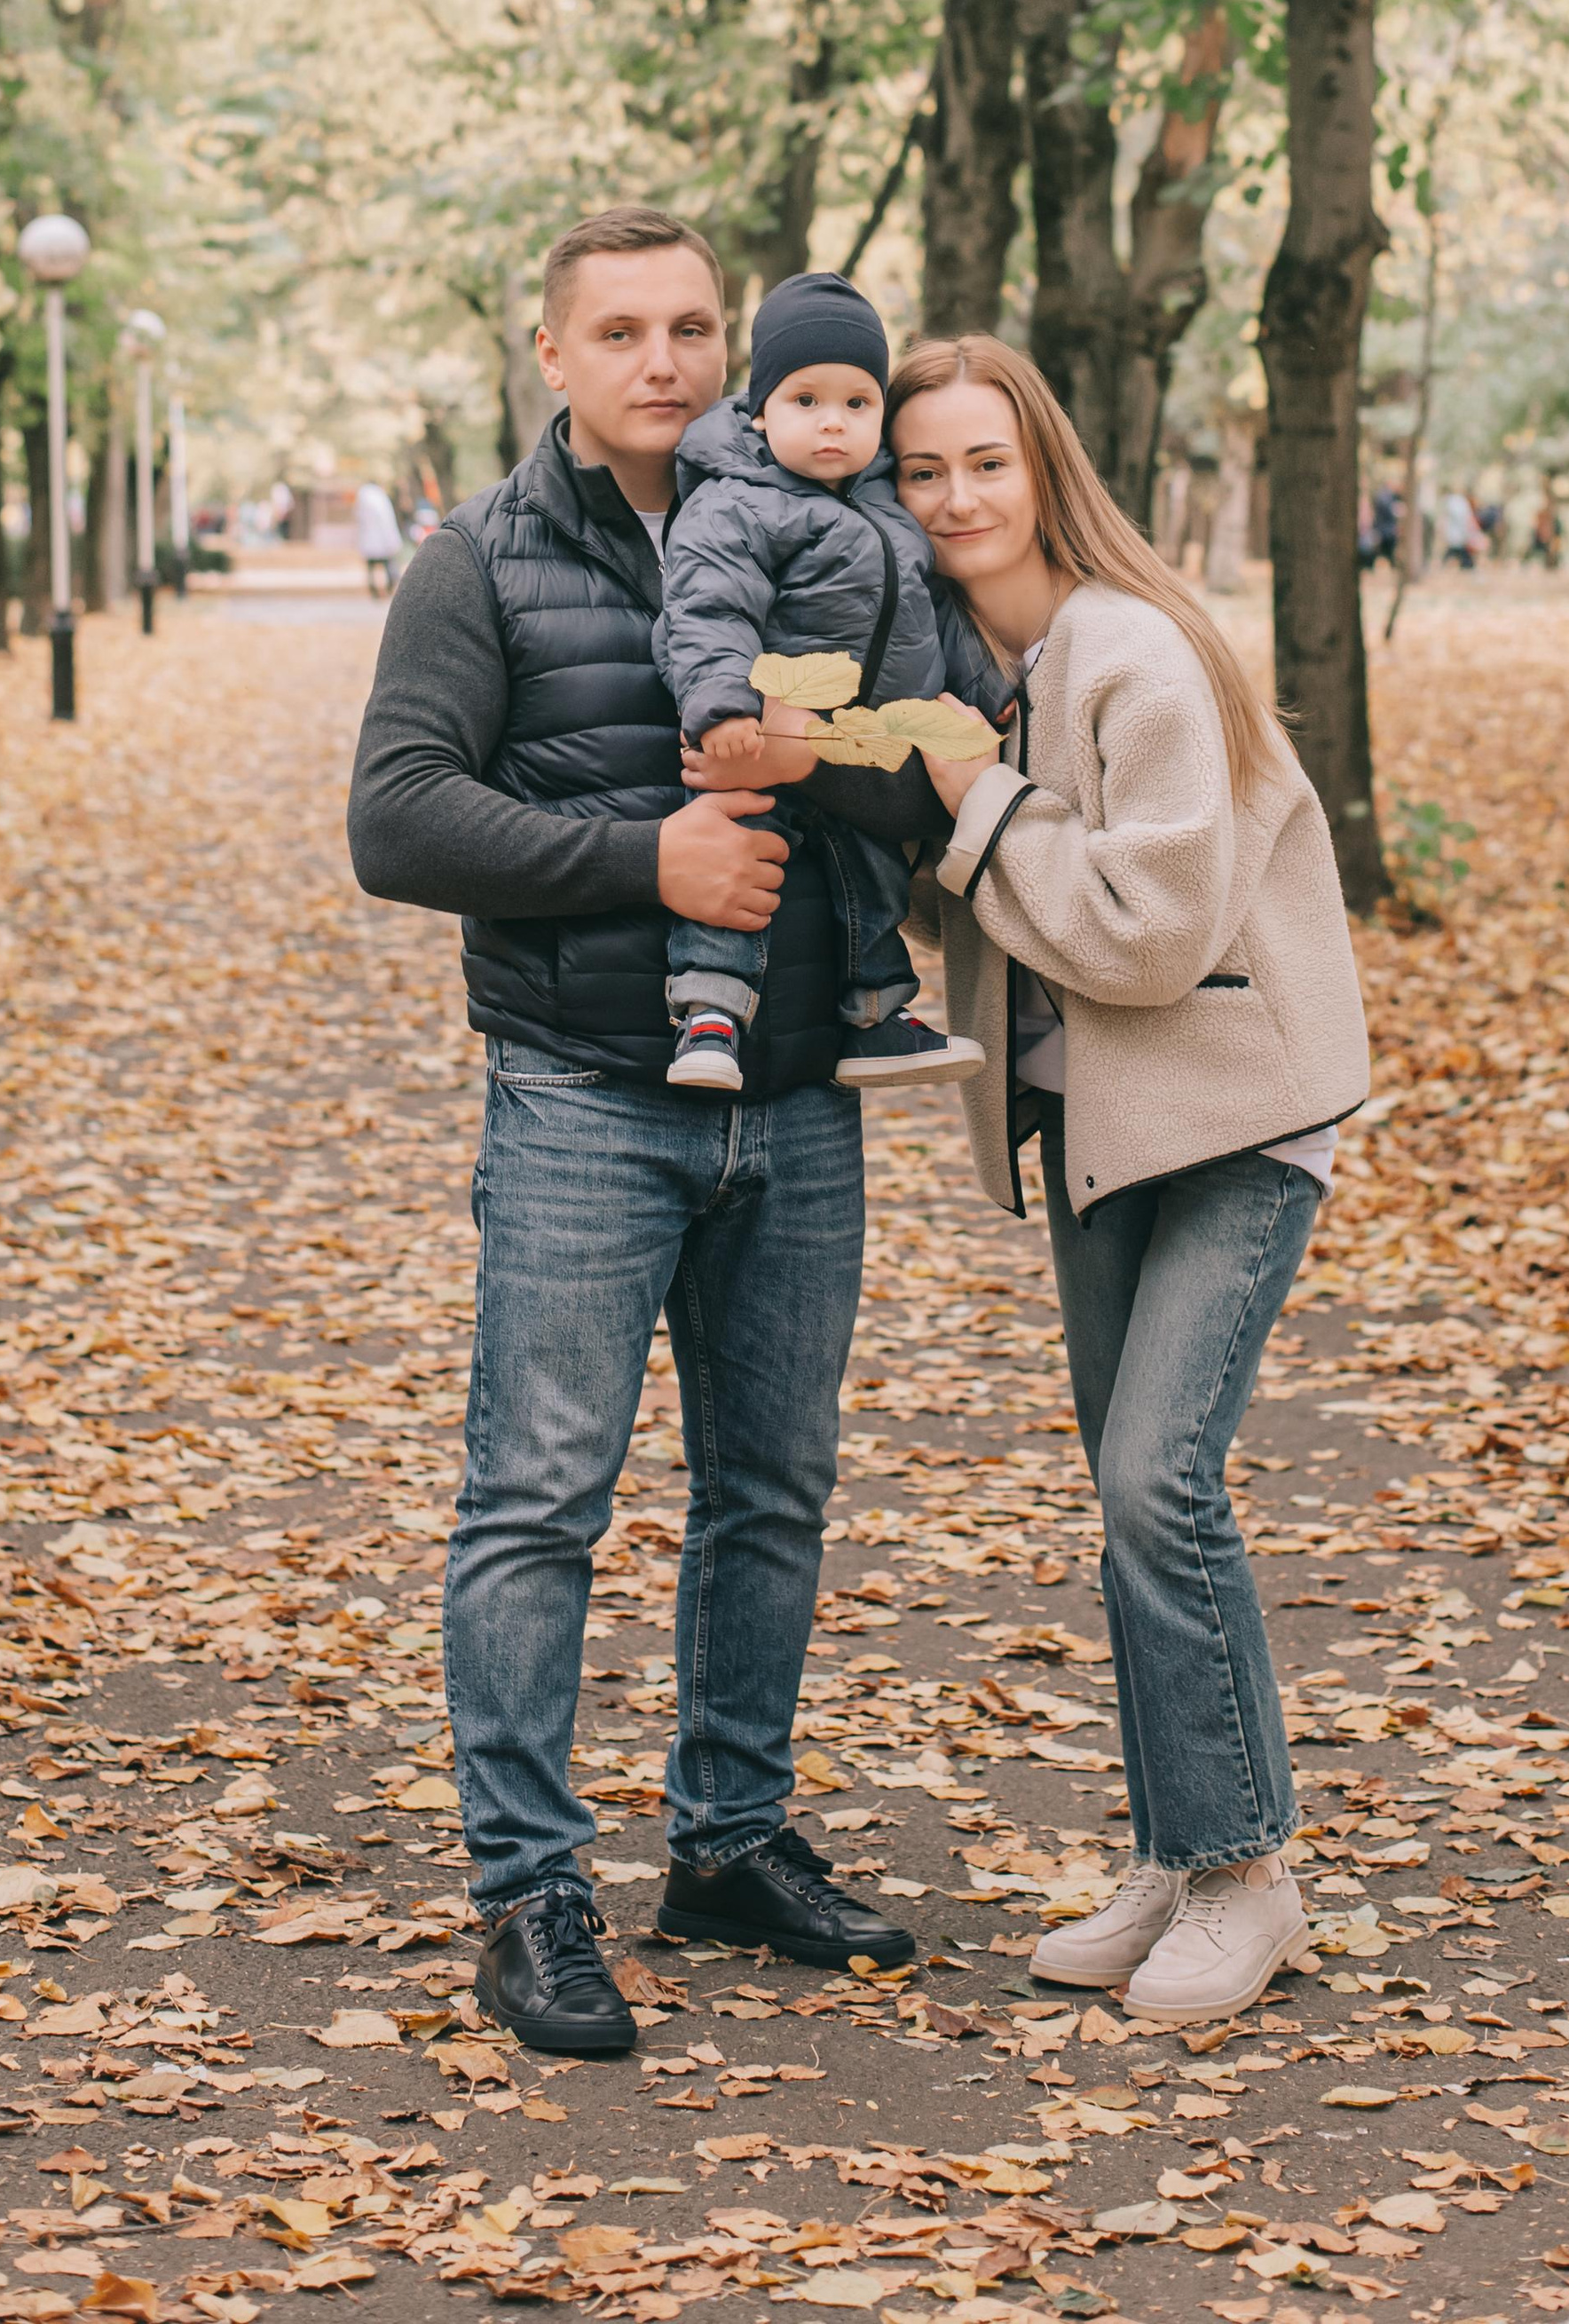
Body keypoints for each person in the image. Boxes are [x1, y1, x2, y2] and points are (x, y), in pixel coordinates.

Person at [346, 209, 922, 2062]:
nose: (663, 360)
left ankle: (729, 1845)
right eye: (622, 331)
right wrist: (640, 859)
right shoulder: (483, 560)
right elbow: (399, 822)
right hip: (585, 1097)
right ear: (557, 357)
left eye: (692, 326)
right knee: (537, 1502)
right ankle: (528, 1890)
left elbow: (909, 760)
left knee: (769, 1494)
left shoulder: (837, 530)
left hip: (801, 1104)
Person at [886, 335, 1368, 2022]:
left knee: (1163, 1479)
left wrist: (974, 800)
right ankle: (1178, 1845)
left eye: (982, 463)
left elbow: (1154, 932)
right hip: (1099, 1125)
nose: (953, 496)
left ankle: (1249, 1871)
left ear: (1045, 471)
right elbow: (985, 900)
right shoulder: (970, 660)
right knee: (1125, 1492)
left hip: (1232, 1110)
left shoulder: (1125, 648)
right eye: (919, 469)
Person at [653, 267, 1002, 1093]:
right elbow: (707, 608)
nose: (833, 424)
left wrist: (985, 690)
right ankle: (709, 1014)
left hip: (867, 741)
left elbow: (937, 612)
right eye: (805, 401)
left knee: (875, 877)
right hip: (775, 727)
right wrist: (723, 702)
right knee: (743, 860)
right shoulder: (737, 503)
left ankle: (876, 1018)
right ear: (761, 407)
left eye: (856, 403)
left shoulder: (887, 505)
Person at [354, 477, 404, 596]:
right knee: (386, 564)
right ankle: (388, 587)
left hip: (369, 539)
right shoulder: (380, 498)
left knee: (371, 567)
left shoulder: (362, 498)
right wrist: (392, 539)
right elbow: (386, 520)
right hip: (382, 539)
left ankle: (373, 590)